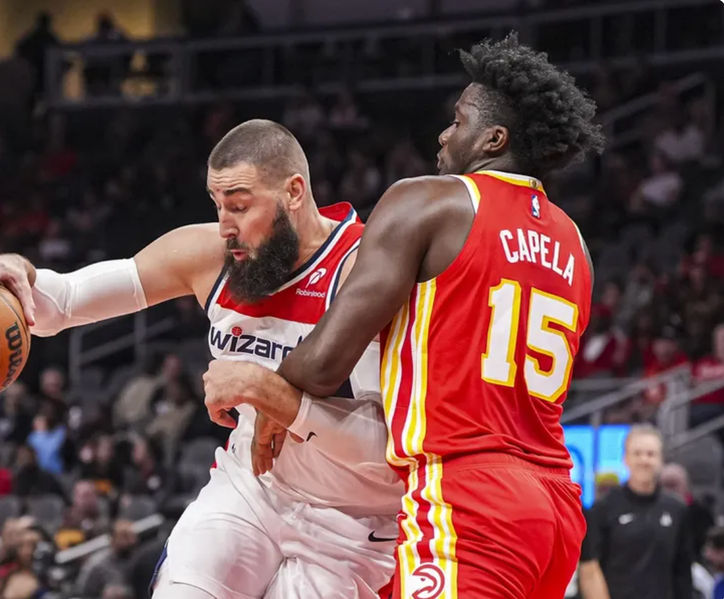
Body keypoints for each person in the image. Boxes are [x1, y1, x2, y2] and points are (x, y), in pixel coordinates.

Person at [0, 118, 400, 598]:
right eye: (217, 206)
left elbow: (391, 451)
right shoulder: (210, 254)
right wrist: (16, 272)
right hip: (253, 490)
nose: (225, 227)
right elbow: (64, 302)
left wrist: (272, 394)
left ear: (294, 193)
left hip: (352, 519)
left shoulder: (368, 270)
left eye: (239, 206)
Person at [203, 32, 605, 599]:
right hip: (555, 505)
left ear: (495, 138)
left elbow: (322, 364)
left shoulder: (429, 202)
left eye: (459, 121)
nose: (445, 133)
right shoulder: (575, 242)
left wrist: (265, 393)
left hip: (466, 495)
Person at [579, 425, 693, 599]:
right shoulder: (603, 508)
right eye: (637, 453)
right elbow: (590, 568)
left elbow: (683, 571)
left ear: (661, 459)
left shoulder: (677, 509)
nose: (644, 460)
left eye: (650, 454)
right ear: (626, 458)